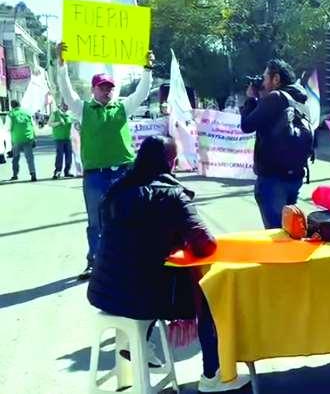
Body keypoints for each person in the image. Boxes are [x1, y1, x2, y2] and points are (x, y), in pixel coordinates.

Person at [87, 136, 250, 391]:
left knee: (143, 274)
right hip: (140, 298)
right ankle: (213, 375)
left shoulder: (116, 190)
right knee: (209, 296)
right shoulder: (171, 194)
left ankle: (140, 345)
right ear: (170, 162)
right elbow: (205, 244)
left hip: (103, 293)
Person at [56, 42, 154, 280]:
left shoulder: (122, 107)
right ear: (93, 90)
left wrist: (148, 68)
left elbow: (142, 93)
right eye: (102, 87)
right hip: (95, 175)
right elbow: (67, 92)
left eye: (109, 87)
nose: (107, 91)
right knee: (96, 222)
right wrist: (61, 64)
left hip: (124, 173)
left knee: (128, 217)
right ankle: (95, 263)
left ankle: (130, 261)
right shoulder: (82, 109)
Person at [241, 59, 312, 229]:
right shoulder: (299, 100)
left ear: (276, 79)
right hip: (295, 176)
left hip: (273, 179)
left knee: (276, 233)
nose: (263, 82)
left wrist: (250, 99)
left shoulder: (275, 97)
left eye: (265, 78)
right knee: (290, 228)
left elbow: (247, 125)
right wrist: (261, 97)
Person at [8, 100, 37, 182]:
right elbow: (33, 126)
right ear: (19, 105)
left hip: (16, 139)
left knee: (15, 158)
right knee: (30, 158)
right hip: (28, 138)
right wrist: (34, 138)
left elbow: (8, 128)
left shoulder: (11, 114)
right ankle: (33, 173)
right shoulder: (27, 113)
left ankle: (15, 175)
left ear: (12, 106)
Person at [50, 102, 75, 179]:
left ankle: (67, 171)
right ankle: (57, 172)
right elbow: (50, 123)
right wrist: (58, 123)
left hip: (67, 138)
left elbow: (74, 123)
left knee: (69, 156)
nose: (65, 107)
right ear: (60, 106)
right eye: (64, 106)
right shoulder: (55, 114)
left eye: (67, 106)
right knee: (59, 156)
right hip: (58, 138)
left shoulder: (70, 114)